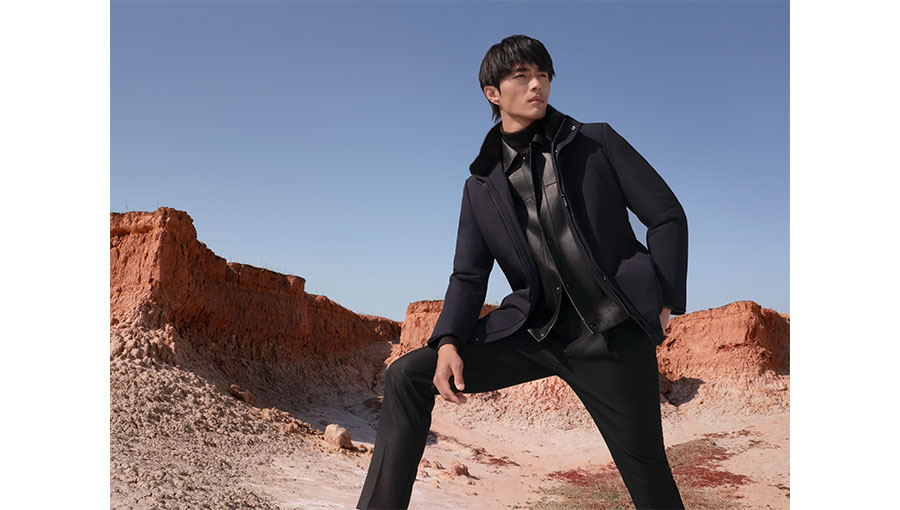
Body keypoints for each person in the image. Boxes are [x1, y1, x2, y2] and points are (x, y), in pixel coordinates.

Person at [357, 34, 688, 510]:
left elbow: (666, 215)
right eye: (522, 76)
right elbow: (469, 275)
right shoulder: (480, 186)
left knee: (650, 478)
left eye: (544, 75)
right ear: (493, 93)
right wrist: (447, 341)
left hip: (612, 335)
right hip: (533, 333)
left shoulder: (595, 142)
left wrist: (664, 300)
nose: (537, 85)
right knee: (408, 374)